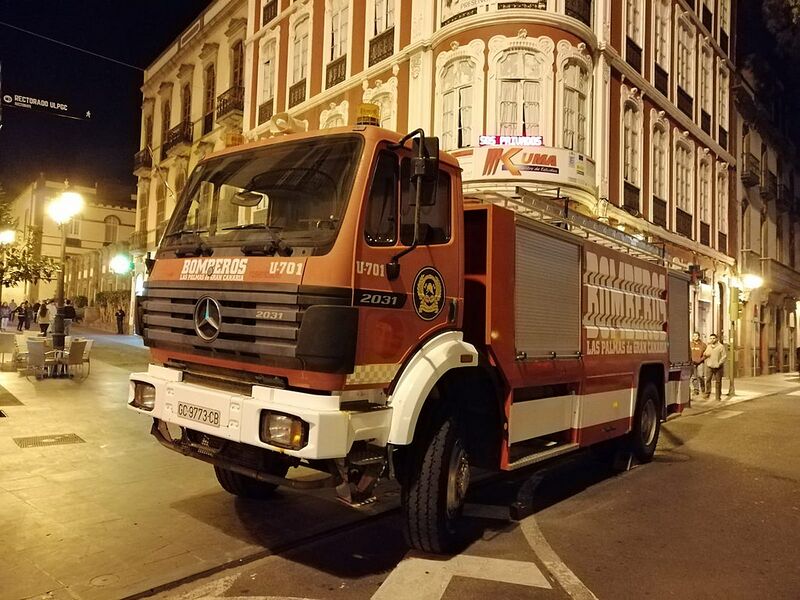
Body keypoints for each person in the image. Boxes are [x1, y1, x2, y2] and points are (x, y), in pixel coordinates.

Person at [703, 333, 728, 401]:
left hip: (718, 367)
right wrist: (705, 354)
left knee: (718, 382)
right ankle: (707, 394)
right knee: (708, 380)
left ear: (716, 339)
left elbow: (724, 356)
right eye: (711, 338)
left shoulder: (721, 346)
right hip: (710, 366)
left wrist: (719, 363)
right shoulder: (708, 346)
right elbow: (705, 353)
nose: (712, 339)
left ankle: (718, 397)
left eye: (713, 338)